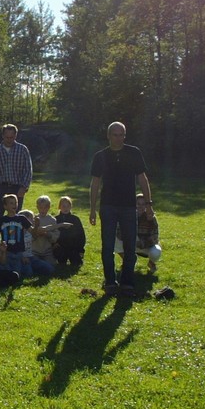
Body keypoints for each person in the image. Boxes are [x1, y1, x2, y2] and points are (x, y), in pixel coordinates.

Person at [89, 121, 152, 295]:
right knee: (107, 246)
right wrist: (93, 209)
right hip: (108, 206)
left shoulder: (134, 153)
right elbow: (95, 184)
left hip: (128, 206)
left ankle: (127, 283)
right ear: (108, 136)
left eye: (122, 134)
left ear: (125, 135)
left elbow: (142, 179)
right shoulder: (100, 156)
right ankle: (110, 282)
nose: (119, 138)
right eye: (115, 134)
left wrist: (148, 204)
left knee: (130, 246)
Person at [0, 123, 33, 228]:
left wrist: (24, 187)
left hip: (17, 189)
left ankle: (14, 242)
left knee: (15, 219)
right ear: (2, 136)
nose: (9, 140)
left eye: (11, 137)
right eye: (7, 137)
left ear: (15, 136)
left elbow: (28, 170)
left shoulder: (22, 149)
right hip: (1, 188)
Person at [113, 193, 163, 274]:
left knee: (156, 251)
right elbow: (118, 231)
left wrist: (141, 243)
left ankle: (151, 263)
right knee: (114, 240)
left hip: (146, 245)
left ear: (147, 206)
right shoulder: (127, 215)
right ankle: (129, 260)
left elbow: (154, 237)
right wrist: (129, 240)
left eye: (143, 204)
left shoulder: (151, 218)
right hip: (130, 243)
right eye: (138, 204)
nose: (140, 207)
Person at [26, 195, 59, 277]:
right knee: (34, 263)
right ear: (37, 207)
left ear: (49, 207)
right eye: (40, 207)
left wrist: (48, 234)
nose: (43, 210)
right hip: (34, 250)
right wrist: (37, 233)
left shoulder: (52, 220)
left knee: (51, 266)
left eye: (45, 207)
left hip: (47, 250)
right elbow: (29, 233)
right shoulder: (34, 219)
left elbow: (55, 236)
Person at [0, 195, 31, 278]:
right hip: (7, 252)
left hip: (19, 252)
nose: (14, 205)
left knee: (20, 273)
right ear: (5, 206)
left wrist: (37, 225)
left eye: (16, 202)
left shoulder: (22, 219)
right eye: (11, 203)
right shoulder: (1, 220)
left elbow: (33, 232)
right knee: (6, 270)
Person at [53, 196, 86, 268]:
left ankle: (76, 257)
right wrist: (54, 244)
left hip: (73, 247)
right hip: (60, 246)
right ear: (59, 207)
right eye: (63, 206)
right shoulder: (56, 219)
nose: (66, 208)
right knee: (61, 262)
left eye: (68, 206)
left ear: (71, 207)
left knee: (76, 263)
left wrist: (81, 249)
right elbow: (51, 233)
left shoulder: (75, 219)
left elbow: (81, 235)